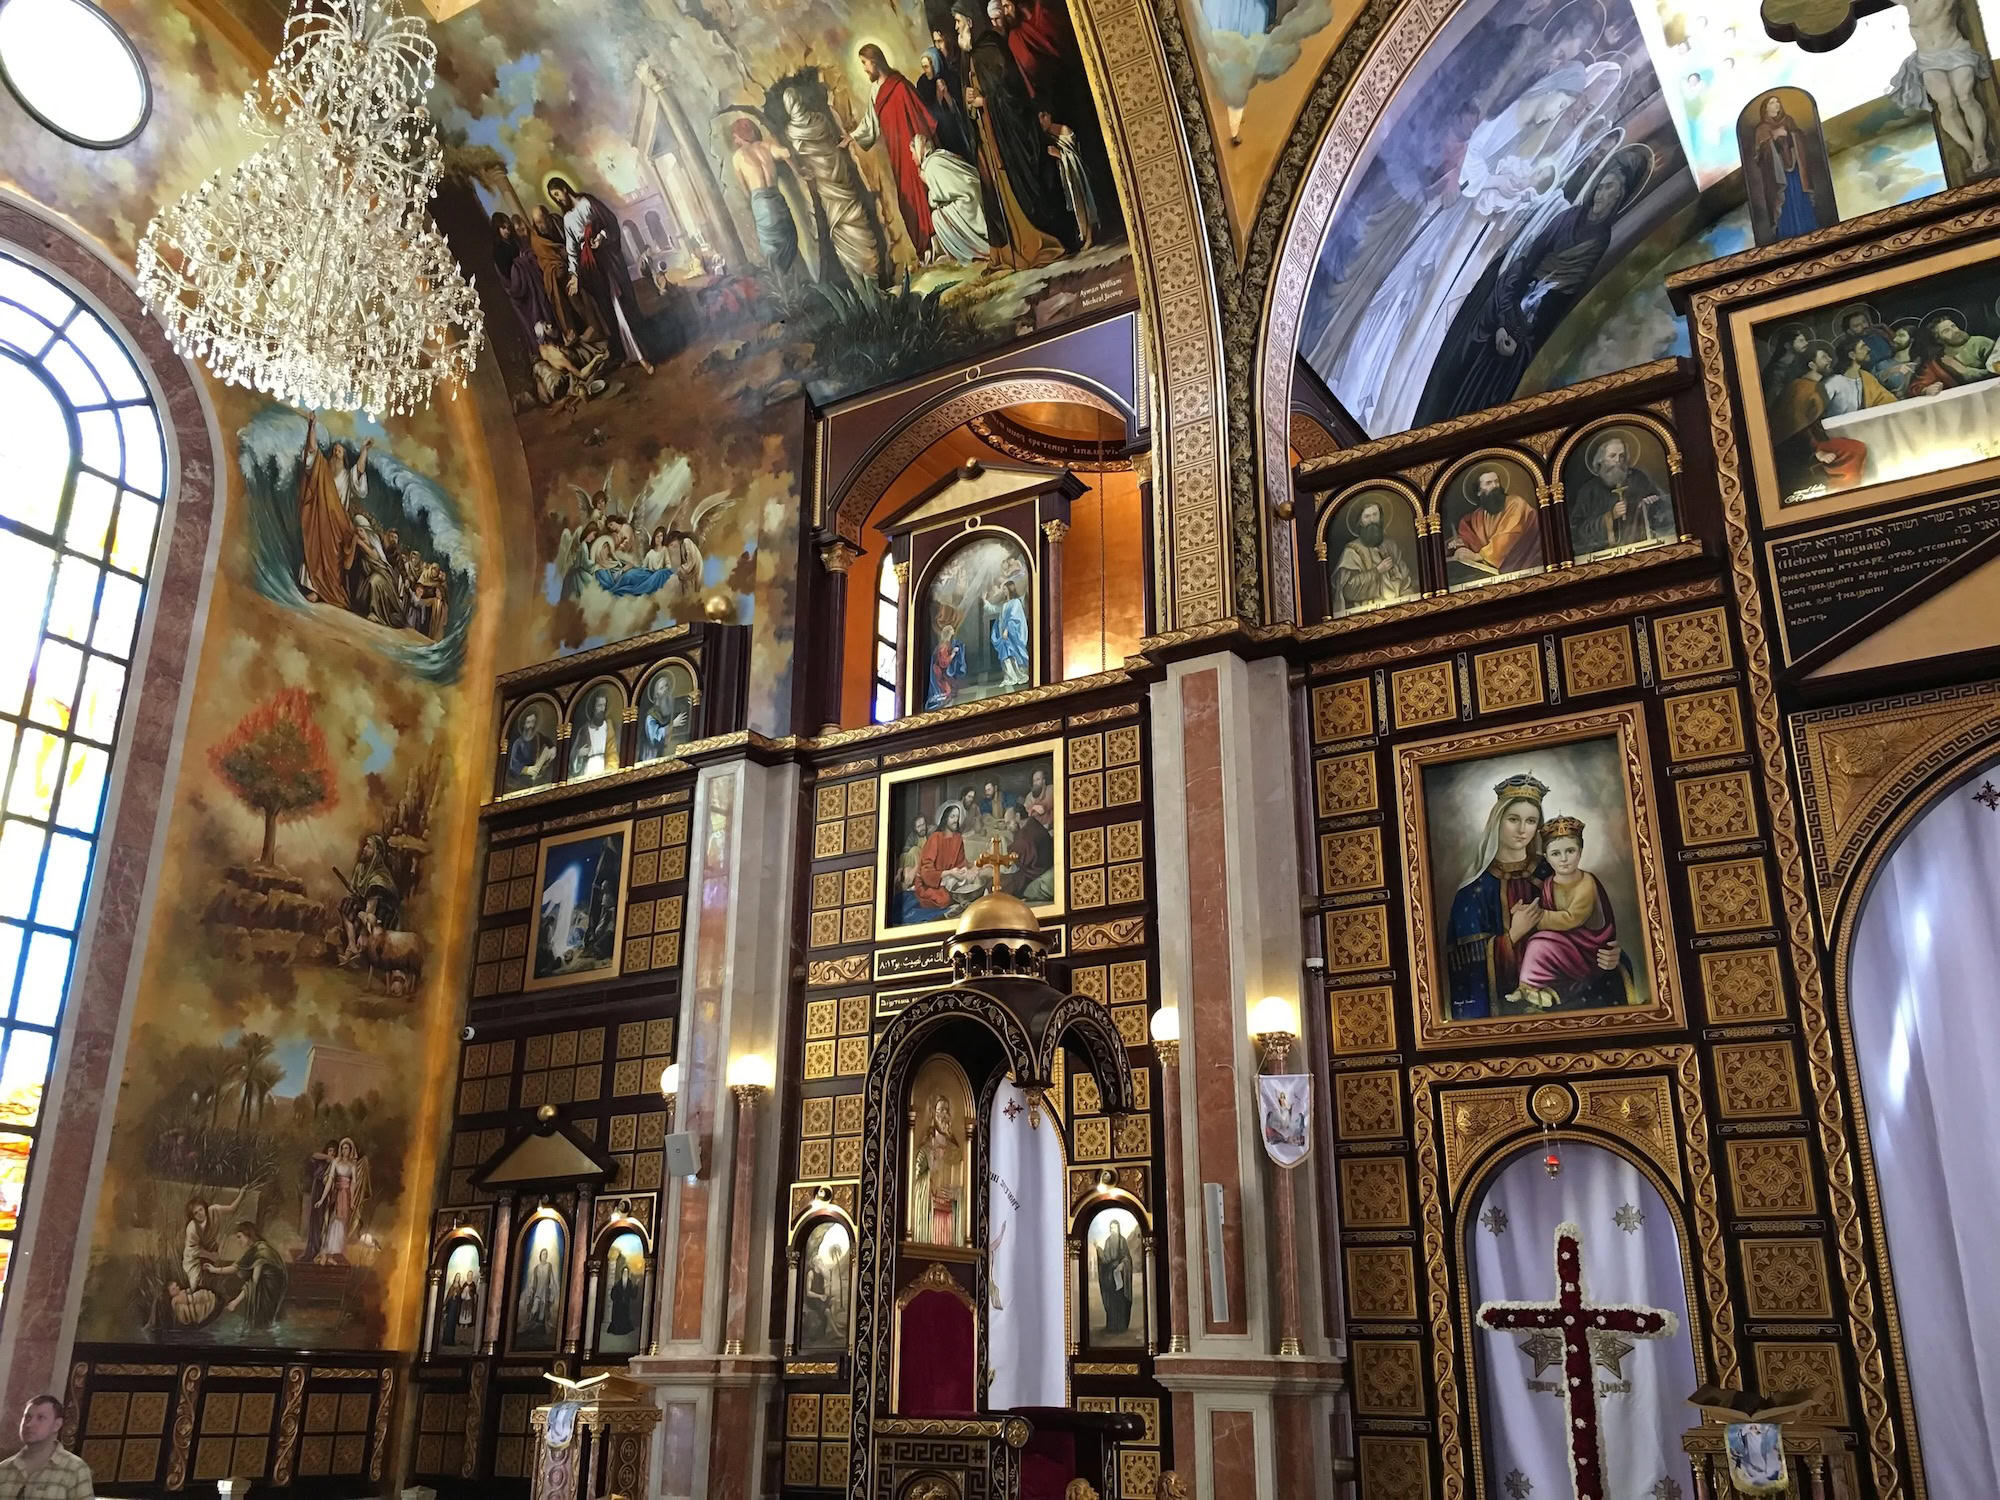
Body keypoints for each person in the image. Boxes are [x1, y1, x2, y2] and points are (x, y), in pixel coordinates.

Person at [954, 0, 1072, 263]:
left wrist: (985, 102)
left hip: (1008, 135)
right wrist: (969, 101)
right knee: (997, 190)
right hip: (988, 138)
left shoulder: (992, 47)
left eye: (958, 22)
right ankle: (1011, 252)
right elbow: (969, 99)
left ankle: (1033, 243)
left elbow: (1012, 92)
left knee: (1018, 185)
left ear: (970, 22)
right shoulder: (970, 56)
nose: (956, 27)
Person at [1503, 815, 1633, 1010]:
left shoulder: (1586, 882)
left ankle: (1535, 988)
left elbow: (1572, 918)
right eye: (1556, 854)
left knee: (1539, 944)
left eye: (1570, 851)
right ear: (1546, 856)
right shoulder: (1548, 884)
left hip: (1588, 947)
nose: (1563, 859)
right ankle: (1531, 989)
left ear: (1580, 852)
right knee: (1538, 945)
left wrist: (1535, 916)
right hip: (1563, 944)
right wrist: (1523, 913)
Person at [548, 176, 658, 375]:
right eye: (554, 197)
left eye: (558, 194)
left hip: (608, 261)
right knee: (611, 312)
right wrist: (574, 275)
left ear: (565, 188)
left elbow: (610, 222)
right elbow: (572, 250)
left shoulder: (587, 203)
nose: (558, 199)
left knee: (623, 306)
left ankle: (643, 355)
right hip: (592, 269)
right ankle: (630, 354)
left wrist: (601, 237)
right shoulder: (567, 219)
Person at [849, 45, 939, 258]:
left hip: (912, 151)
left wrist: (922, 150)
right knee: (906, 197)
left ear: (875, 60)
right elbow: (870, 123)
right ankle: (924, 248)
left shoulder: (900, 85)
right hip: (896, 154)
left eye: (865, 62)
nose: (864, 68)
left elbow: (921, 117)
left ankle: (936, 244)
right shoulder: (875, 91)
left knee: (921, 191)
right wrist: (852, 136)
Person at [1892, 0, 1994, 175]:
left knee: (1965, 96)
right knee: (1946, 104)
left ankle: (1980, 149)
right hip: (1927, 58)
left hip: (1955, 50)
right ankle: (1971, 150)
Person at [1770, 342, 1867, 493]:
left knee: (1857, 447)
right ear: (1812, 365)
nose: (1830, 360)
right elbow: (1795, 426)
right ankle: (1844, 491)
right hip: (1797, 448)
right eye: (1823, 357)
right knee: (1855, 449)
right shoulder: (1801, 388)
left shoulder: (1816, 385)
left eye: (1828, 356)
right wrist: (1816, 451)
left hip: (1813, 441)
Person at [728, 119, 804, 290]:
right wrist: (798, 171)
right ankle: (794, 285)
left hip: (761, 202)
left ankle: (784, 291)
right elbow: (786, 152)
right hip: (777, 198)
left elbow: (744, 188)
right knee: (788, 239)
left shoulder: (738, 156)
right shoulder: (766, 147)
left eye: (735, 137)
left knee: (771, 249)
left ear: (740, 136)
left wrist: (752, 202)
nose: (735, 142)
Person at [296, 416, 363, 610]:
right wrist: (312, 427)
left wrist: (364, 450)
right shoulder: (324, 468)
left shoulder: (348, 476)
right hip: (320, 516)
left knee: (333, 559)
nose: (335, 453)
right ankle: (314, 588)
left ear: (344, 457)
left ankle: (330, 590)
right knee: (314, 547)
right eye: (334, 450)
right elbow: (312, 453)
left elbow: (359, 472)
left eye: (339, 452)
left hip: (338, 522)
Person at [1566, 434, 1671, 557]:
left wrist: (1652, 504)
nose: (1617, 461)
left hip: (1644, 549)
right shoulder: (1589, 490)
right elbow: (1577, 532)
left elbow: (1665, 512)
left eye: (1621, 456)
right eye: (1612, 456)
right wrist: (1610, 516)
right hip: (1605, 555)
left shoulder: (1638, 478)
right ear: (1600, 460)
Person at [1746, 93, 1822, 241]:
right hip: (1777, 176)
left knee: (1800, 197)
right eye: (1772, 103)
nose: (1776, 105)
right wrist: (1772, 137)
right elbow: (1759, 156)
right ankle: (1787, 236)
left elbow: (1799, 138)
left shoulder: (1789, 121)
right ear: (1765, 109)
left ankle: (1810, 231)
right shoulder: (1762, 129)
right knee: (1784, 202)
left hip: (1795, 170)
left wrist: (1790, 135)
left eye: (1777, 102)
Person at [1446, 468, 1542, 582]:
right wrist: (1459, 543)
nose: (1495, 486)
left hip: (1527, 565)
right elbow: (1470, 538)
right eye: (1488, 483)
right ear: (1479, 491)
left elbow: (1509, 535)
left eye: (1496, 482)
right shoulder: (1476, 516)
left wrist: (1478, 556)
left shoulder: (1515, 503)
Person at [912, 134, 993, 263]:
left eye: (913, 153)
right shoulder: (939, 157)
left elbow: (938, 197)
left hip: (968, 202)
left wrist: (929, 189)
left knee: (937, 217)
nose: (912, 158)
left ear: (919, 150)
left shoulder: (932, 165)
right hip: (971, 195)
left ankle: (975, 251)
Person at [0, 1396, 93, 1500]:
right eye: (27, 1417)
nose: (29, 1424)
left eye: (41, 1418)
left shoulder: (74, 1468)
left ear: (57, 1425)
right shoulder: (4, 1469)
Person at [1333, 498, 1416, 612]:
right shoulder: (1352, 551)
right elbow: (1349, 590)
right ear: (1360, 522)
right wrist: (1377, 571)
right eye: (1367, 516)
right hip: (1367, 612)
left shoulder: (1390, 545)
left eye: (1375, 515)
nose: (1372, 520)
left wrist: (1409, 604)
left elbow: (1405, 579)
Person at [208, 1221, 288, 1328]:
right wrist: (214, 1270)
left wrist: (235, 1302)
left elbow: (254, 1283)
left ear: (248, 1234)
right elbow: (235, 1267)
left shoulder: (261, 1251)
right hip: (265, 1284)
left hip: (271, 1287)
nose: (238, 1241)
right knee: (261, 1323)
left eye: (239, 1237)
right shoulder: (255, 1248)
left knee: (263, 1323)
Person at [1040, 109, 1099, 247]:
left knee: (1081, 198)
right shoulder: (1045, 135)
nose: (1042, 122)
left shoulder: (1064, 130)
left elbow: (1076, 158)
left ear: (1049, 115)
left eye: (1043, 116)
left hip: (1075, 174)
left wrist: (1060, 155)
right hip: (1061, 175)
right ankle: (1078, 236)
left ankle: (1089, 235)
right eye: (1039, 119)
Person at [913, 802, 983, 912]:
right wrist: (950, 873)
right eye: (952, 816)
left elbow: (961, 863)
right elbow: (926, 872)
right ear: (945, 818)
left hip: (950, 879)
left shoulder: (958, 838)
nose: (956, 820)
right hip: (930, 882)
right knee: (945, 899)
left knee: (974, 885)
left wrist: (964, 871)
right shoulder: (935, 838)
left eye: (957, 817)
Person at [914, 1094, 965, 1244]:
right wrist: (930, 1176)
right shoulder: (925, 1152)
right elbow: (914, 1187)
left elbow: (967, 1188)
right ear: (933, 1115)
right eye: (941, 1110)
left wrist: (958, 1194)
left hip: (951, 1217)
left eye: (947, 1111)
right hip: (930, 1218)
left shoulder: (957, 1152)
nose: (945, 1115)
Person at [1909, 310, 1996, 394]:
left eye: (1953, 326)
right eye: (1947, 331)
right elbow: (1916, 386)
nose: (1955, 331)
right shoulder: (1937, 361)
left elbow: (1996, 372)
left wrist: (1964, 370)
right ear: (1939, 339)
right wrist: (1926, 390)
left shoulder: (1981, 343)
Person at [316, 1138, 367, 1263]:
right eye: (343, 1148)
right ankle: (326, 1253)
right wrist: (322, 1199)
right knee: (332, 1221)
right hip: (336, 1195)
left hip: (346, 1195)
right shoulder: (336, 1162)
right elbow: (330, 1180)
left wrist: (352, 1201)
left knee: (342, 1224)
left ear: (351, 1150)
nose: (344, 1150)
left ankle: (334, 1254)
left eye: (347, 1148)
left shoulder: (352, 1165)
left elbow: (353, 1183)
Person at [1823, 333, 1899, 416]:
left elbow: (1884, 398)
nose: (1868, 349)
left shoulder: (1866, 377)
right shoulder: (1834, 383)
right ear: (1852, 355)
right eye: (1862, 347)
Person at [985, 573, 1031, 689]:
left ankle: (1014, 676)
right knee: (1006, 655)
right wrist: (984, 600)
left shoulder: (1015, 602)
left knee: (1010, 654)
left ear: (1010, 589)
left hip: (1010, 634)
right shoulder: (1005, 604)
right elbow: (993, 609)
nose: (1003, 591)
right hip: (1004, 635)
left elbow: (1013, 618)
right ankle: (1009, 677)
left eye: (1005, 589)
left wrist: (1006, 630)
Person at [1094, 1218, 1133, 1335]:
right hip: (1110, 1276)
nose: (1113, 1230)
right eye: (1111, 1228)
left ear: (1118, 1228)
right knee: (1111, 1302)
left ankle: (1121, 1326)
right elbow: (1105, 1260)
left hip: (1120, 1276)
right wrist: (1098, 1249)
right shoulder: (1108, 1241)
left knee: (1120, 1301)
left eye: (1115, 1228)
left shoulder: (1122, 1241)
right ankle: (1112, 1326)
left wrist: (1122, 1265)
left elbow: (1127, 1257)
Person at [507, 706, 557, 792]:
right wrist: (527, 770)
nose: (531, 726)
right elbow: (514, 765)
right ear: (523, 724)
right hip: (523, 779)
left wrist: (553, 749)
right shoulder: (518, 743)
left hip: (539, 775)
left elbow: (550, 744)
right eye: (528, 723)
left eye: (533, 722)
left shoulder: (538, 737)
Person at [570, 690, 614, 778]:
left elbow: (613, 749)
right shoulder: (584, 730)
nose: (602, 709)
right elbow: (573, 754)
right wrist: (579, 754)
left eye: (604, 705)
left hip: (606, 765)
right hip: (589, 768)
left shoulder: (608, 726)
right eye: (599, 705)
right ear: (593, 708)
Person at [928, 619, 968, 709]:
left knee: (953, 688)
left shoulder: (948, 643)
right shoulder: (943, 646)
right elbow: (943, 662)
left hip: (943, 669)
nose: (954, 631)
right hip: (939, 670)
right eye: (952, 630)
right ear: (949, 633)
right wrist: (953, 653)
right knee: (947, 691)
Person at [521, 1247, 559, 1338]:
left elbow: (552, 1281)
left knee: (542, 1312)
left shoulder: (549, 1266)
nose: (544, 1256)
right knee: (534, 1308)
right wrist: (529, 1293)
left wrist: (552, 1294)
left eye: (546, 1254)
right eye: (543, 1254)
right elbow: (532, 1282)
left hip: (545, 1293)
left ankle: (541, 1329)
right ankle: (529, 1325)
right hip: (537, 1292)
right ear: (540, 1256)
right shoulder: (536, 1268)